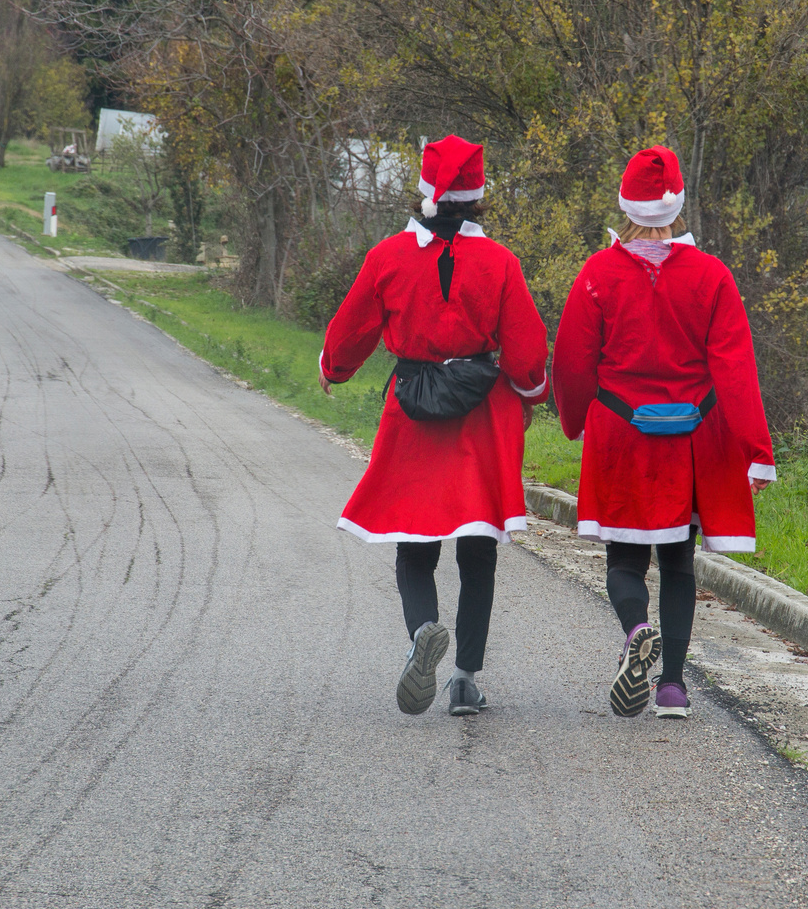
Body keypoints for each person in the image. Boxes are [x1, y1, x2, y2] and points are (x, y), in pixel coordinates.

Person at [320, 136, 549, 716]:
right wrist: (532, 391)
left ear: (424, 189)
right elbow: (524, 350)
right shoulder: (499, 261)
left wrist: (334, 368)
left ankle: (423, 629)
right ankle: (466, 680)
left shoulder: (389, 256)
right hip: (482, 414)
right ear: (478, 197)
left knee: (415, 544)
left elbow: (352, 329)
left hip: (414, 411)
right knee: (478, 550)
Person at [552, 145, 775, 719]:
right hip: (691, 438)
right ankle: (672, 687)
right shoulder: (712, 275)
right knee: (678, 562)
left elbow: (573, 361)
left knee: (625, 563)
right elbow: (735, 367)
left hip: (620, 434)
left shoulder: (598, 274)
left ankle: (636, 631)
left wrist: (573, 421)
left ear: (625, 204)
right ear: (677, 203)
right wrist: (757, 450)